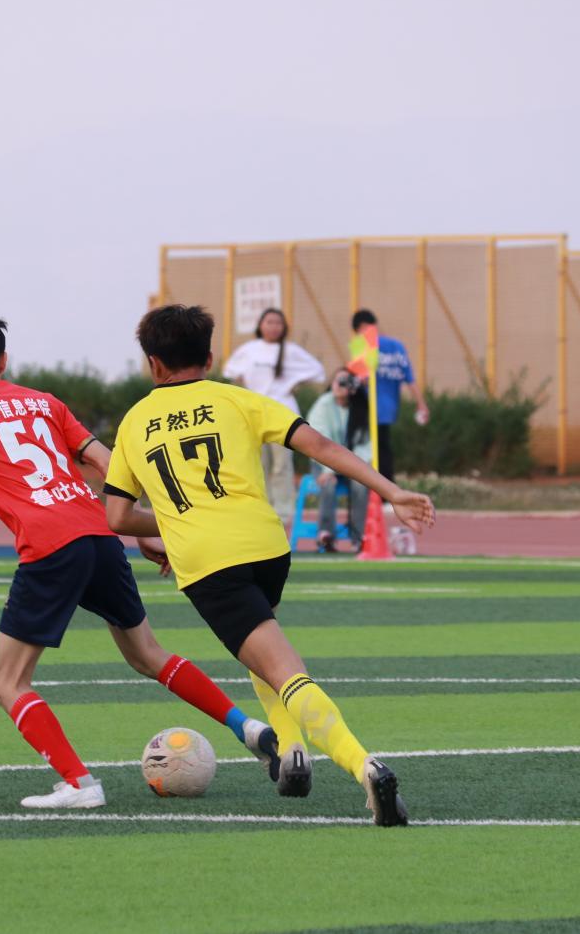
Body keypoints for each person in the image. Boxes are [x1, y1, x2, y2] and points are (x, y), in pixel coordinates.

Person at [0, 306, 282, 809]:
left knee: (8, 683)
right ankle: (247, 727)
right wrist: (139, 525)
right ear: (4, 359)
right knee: (148, 655)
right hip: (99, 533)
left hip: (49, 547)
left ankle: (79, 783)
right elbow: (106, 461)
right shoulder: (44, 402)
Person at [103, 303, 436, 826]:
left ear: (153, 364)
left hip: (210, 563)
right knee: (261, 645)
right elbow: (318, 444)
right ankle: (292, 750)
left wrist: (171, 525)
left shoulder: (134, 423)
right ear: (209, 358)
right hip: (266, 548)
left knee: (284, 670)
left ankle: (364, 766)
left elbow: (118, 516)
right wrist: (391, 491)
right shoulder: (237, 400)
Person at [223, 308, 326, 521]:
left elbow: (317, 371)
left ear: (284, 327)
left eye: (278, 322)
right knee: (258, 464)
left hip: (283, 412)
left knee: (282, 464)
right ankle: (262, 508)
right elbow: (229, 371)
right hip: (253, 413)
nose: (273, 326)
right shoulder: (249, 350)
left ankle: (284, 511)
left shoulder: (291, 351)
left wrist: (296, 383)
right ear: (261, 325)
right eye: (269, 322)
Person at [349, 309, 429, 483]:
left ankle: (377, 490)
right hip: (387, 409)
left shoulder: (361, 345)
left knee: (368, 450)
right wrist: (421, 404)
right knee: (383, 449)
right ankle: (385, 489)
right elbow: (410, 378)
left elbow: (361, 379)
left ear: (361, 327)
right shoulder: (396, 346)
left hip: (368, 409)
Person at [306, 368, 372, 552]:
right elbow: (318, 439)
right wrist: (329, 469)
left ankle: (358, 536)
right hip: (323, 462)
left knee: (361, 485)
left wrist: (357, 467)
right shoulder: (323, 405)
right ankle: (326, 534)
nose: (338, 386)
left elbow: (365, 444)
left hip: (351, 463)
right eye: (336, 381)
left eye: (344, 382)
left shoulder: (361, 408)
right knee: (328, 484)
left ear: (353, 387)